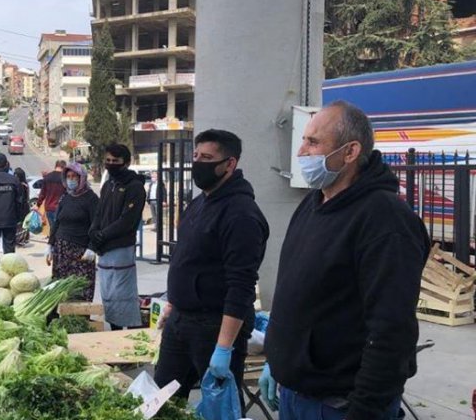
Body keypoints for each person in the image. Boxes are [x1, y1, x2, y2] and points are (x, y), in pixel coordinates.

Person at [259, 101, 430, 420]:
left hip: (339, 405)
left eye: (313, 142)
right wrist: (278, 360)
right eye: (303, 140)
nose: (301, 152)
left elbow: (392, 331)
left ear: (350, 152)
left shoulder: (385, 220)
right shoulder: (313, 205)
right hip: (295, 394)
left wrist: (365, 410)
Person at [153, 130, 269, 406]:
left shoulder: (241, 214)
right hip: (180, 322)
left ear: (230, 164)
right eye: (195, 156)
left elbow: (241, 286)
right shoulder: (199, 203)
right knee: (161, 402)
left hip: (214, 327)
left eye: (207, 157)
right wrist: (172, 302)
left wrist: (223, 347)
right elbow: (186, 259)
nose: (198, 163)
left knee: (218, 407)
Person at [89, 143, 146, 329]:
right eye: (108, 160)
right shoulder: (108, 185)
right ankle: (114, 333)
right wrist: (93, 233)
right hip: (104, 250)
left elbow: (127, 221)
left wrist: (103, 234)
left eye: (115, 161)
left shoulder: (135, 187)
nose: (111, 164)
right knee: (109, 296)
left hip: (120, 249)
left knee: (123, 297)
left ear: (126, 163)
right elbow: (99, 213)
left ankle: (128, 336)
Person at [46, 162, 99, 301]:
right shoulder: (66, 197)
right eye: (68, 176)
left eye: (74, 177)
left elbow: (97, 224)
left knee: (80, 287)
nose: (71, 180)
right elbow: (57, 222)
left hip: (80, 252)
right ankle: (62, 316)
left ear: (82, 178)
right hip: (61, 251)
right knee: (60, 287)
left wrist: (92, 248)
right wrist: (50, 245)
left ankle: (80, 318)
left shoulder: (91, 199)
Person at [36, 160, 66, 229]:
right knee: (61, 230)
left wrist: (38, 205)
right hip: (61, 208)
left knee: (53, 229)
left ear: (55, 166)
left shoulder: (47, 177)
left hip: (49, 207)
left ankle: (53, 238)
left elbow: (42, 194)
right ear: (63, 167)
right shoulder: (64, 178)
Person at [14, 167, 30, 247]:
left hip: (21, 207)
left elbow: (21, 198)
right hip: (25, 206)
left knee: (20, 224)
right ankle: (22, 239)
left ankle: (19, 240)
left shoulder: (21, 185)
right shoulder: (25, 184)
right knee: (23, 224)